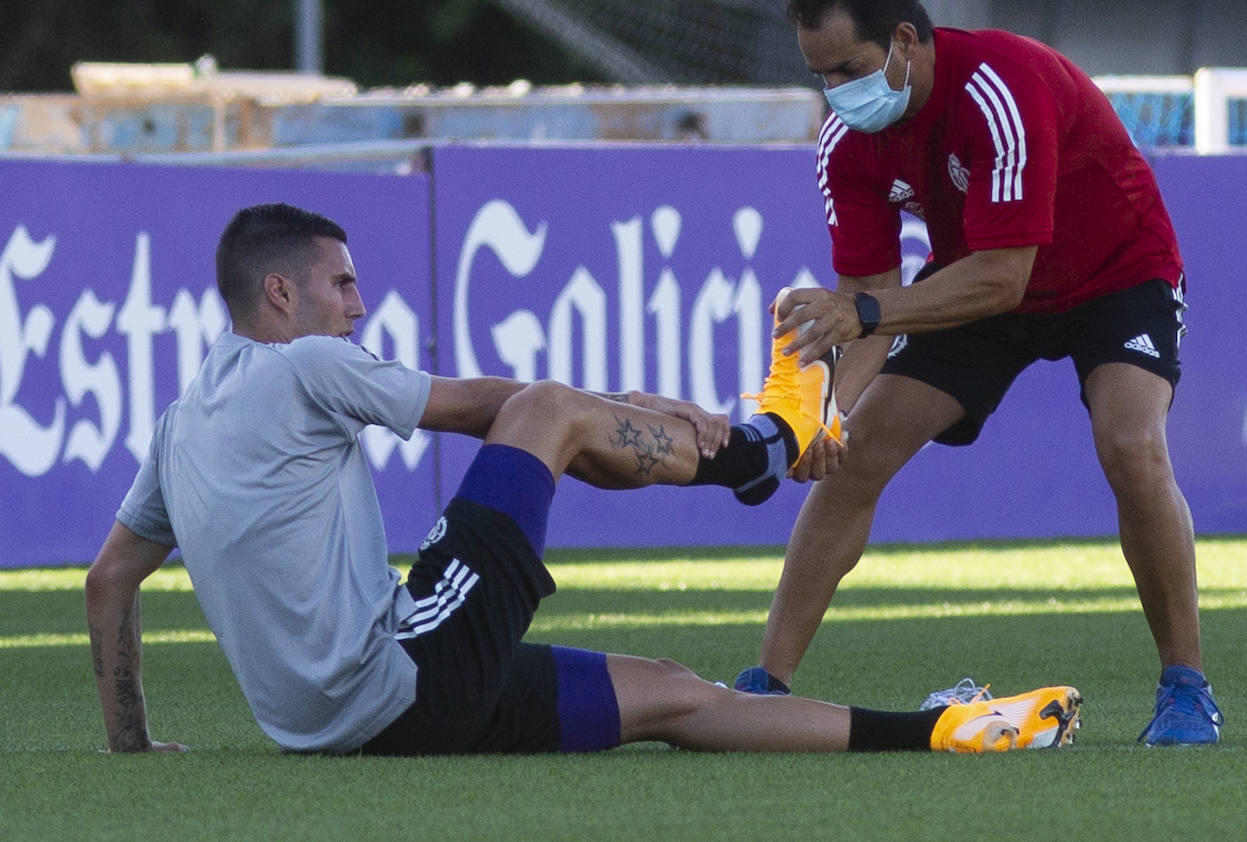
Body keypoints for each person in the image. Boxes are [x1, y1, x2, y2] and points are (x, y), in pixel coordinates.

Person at [84, 202, 1082, 757]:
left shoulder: (177, 428)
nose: (357, 302)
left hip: (352, 727)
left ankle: (947, 732)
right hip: (403, 676)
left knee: (677, 695)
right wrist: (652, 414)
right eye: (341, 281)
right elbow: (496, 408)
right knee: (551, 408)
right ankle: (762, 451)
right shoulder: (305, 363)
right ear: (279, 291)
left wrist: (131, 743)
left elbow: (109, 580)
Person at [731, 0, 1222, 747]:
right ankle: (761, 689)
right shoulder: (845, 144)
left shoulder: (1000, 88)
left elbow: (994, 278)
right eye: (819, 75)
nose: (835, 92)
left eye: (848, 67)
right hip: (978, 281)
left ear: (904, 41)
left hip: (1112, 272)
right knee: (854, 457)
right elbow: (875, 298)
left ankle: (1186, 689)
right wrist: (824, 413)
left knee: (1130, 443)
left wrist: (863, 313)